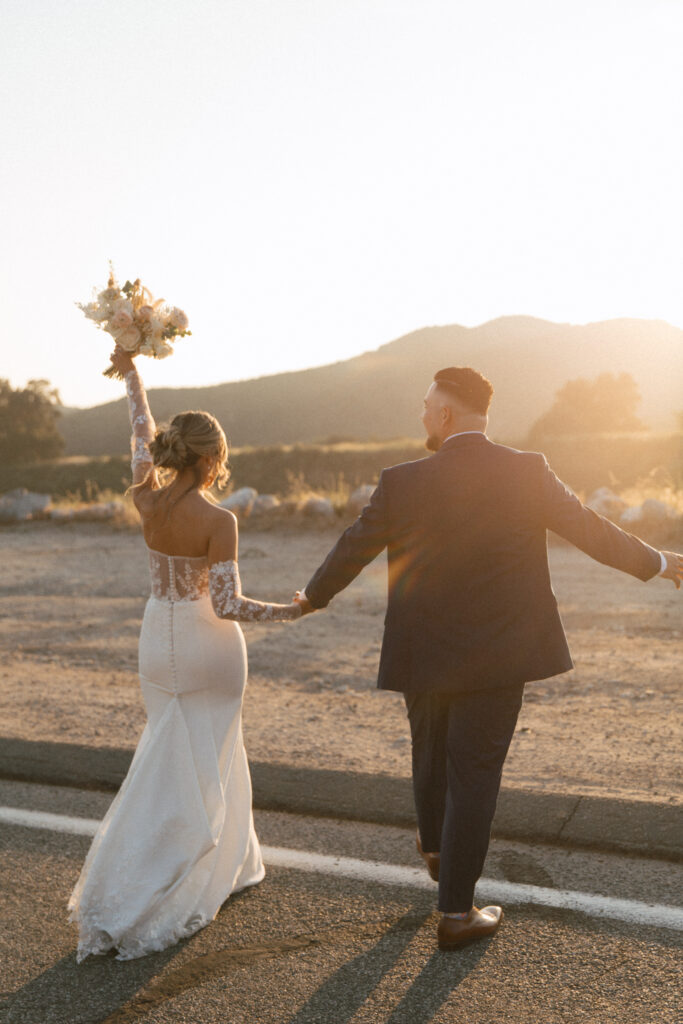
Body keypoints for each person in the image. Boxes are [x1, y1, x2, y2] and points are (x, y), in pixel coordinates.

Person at [296, 366, 683, 951]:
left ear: (446, 414)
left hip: (421, 652)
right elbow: (587, 528)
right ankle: (454, 906)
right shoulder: (526, 471)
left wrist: (311, 598)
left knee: (429, 755)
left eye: (427, 405)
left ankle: (438, 856)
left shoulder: (401, 481)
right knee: (473, 775)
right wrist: (656, 562)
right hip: (499, 654)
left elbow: (354, 544)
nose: (423, 413)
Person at [68, 346, 302, 962]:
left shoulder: (145, 497)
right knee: (216, 749)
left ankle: (231, 856)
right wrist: (292, 610)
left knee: (166, 748)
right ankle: (194, 867)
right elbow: (228, 605)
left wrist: (132, 374)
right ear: (212, 459)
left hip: (156, 638)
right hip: (209, 646)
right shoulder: (218, 519)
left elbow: (140, 428)